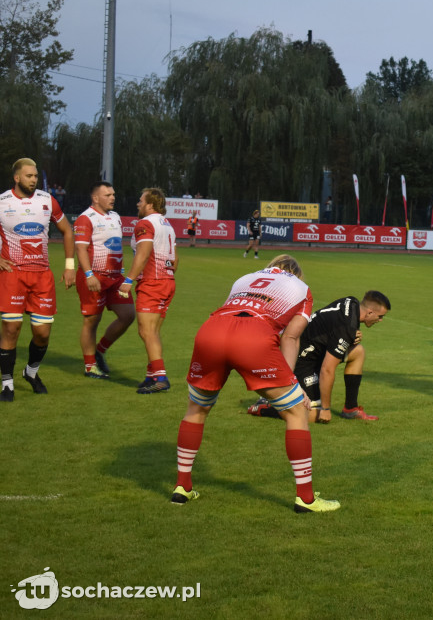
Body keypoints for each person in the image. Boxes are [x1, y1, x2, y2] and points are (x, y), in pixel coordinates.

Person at [173, 255, 340, 513]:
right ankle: (306, 499)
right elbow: (291, 338)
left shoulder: (244, 278)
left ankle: (182, 487)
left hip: (211, 332)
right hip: (253, 337)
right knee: (297, 412)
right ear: (297, 274)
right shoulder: (302, 289)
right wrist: (291, 381)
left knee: (196, 410)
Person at [248, 291, 391, 424]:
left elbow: (333, 326)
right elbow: (327, 369)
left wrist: (352, 335)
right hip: (301, 362)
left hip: (317, 352)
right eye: (380, 316)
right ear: (370, 312)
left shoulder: (352, 303)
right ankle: (265, 408)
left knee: (358, 352)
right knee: (309, 413)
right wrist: (326, 409)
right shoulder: (347, 327)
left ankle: (350, 408)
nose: (381, 320)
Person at [0, 158, 76, 401]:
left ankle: (31, 373)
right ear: (17, 178)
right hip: (13, 274)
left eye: (35, 176)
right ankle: (7, 384)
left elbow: (67, 230)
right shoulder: (2, 202)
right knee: (11, 329)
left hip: (42, 276)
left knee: (42, 333)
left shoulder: (47, 200)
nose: (34, 179)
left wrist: (69, 266)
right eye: (29, 176)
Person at [74, 181, 136, 379]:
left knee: (128, 315)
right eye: (108, 195)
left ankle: (100, 350)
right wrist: (89, 274)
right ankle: (90, 366)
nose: (113, 197)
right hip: (95, 276)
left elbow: (117, 246)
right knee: (92, 321)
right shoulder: (85, 218)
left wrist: (123, 272)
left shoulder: (115, 217)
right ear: (96, 198)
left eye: (113, 194)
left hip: (116, 278)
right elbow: (81, 249)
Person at [118, 188, 177, 394]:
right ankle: (152, 375)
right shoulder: (167, 224)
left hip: (153, 282)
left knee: (146, 331)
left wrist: (128, 280)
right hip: (167, 280)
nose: (138, 204)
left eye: (141, 200)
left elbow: (143, 253)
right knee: (152, 332)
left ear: (150, 204)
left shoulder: (145, 223)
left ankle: (161, 378)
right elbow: (175, 260)